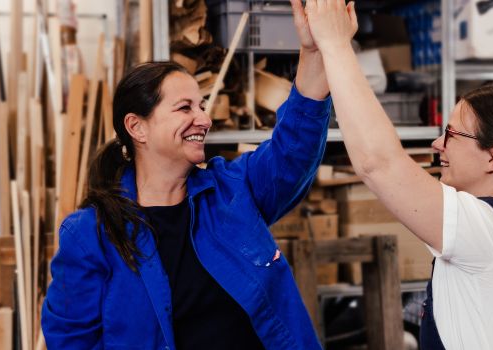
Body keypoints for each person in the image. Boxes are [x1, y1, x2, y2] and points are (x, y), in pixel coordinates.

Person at [41, 5, 340, 348]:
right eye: (185, 108)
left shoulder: (232, 192)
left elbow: (293, 153)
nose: (204, 119)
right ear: (137, 127)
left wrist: (314, 50)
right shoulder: (89, 236)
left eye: (201, 106)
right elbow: (70, 342)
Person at [299, 0, 493, 348]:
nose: (437, 144)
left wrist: (337, 44)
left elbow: (378, 163)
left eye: (451, 134)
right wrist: (317, 49)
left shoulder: (488, 232)